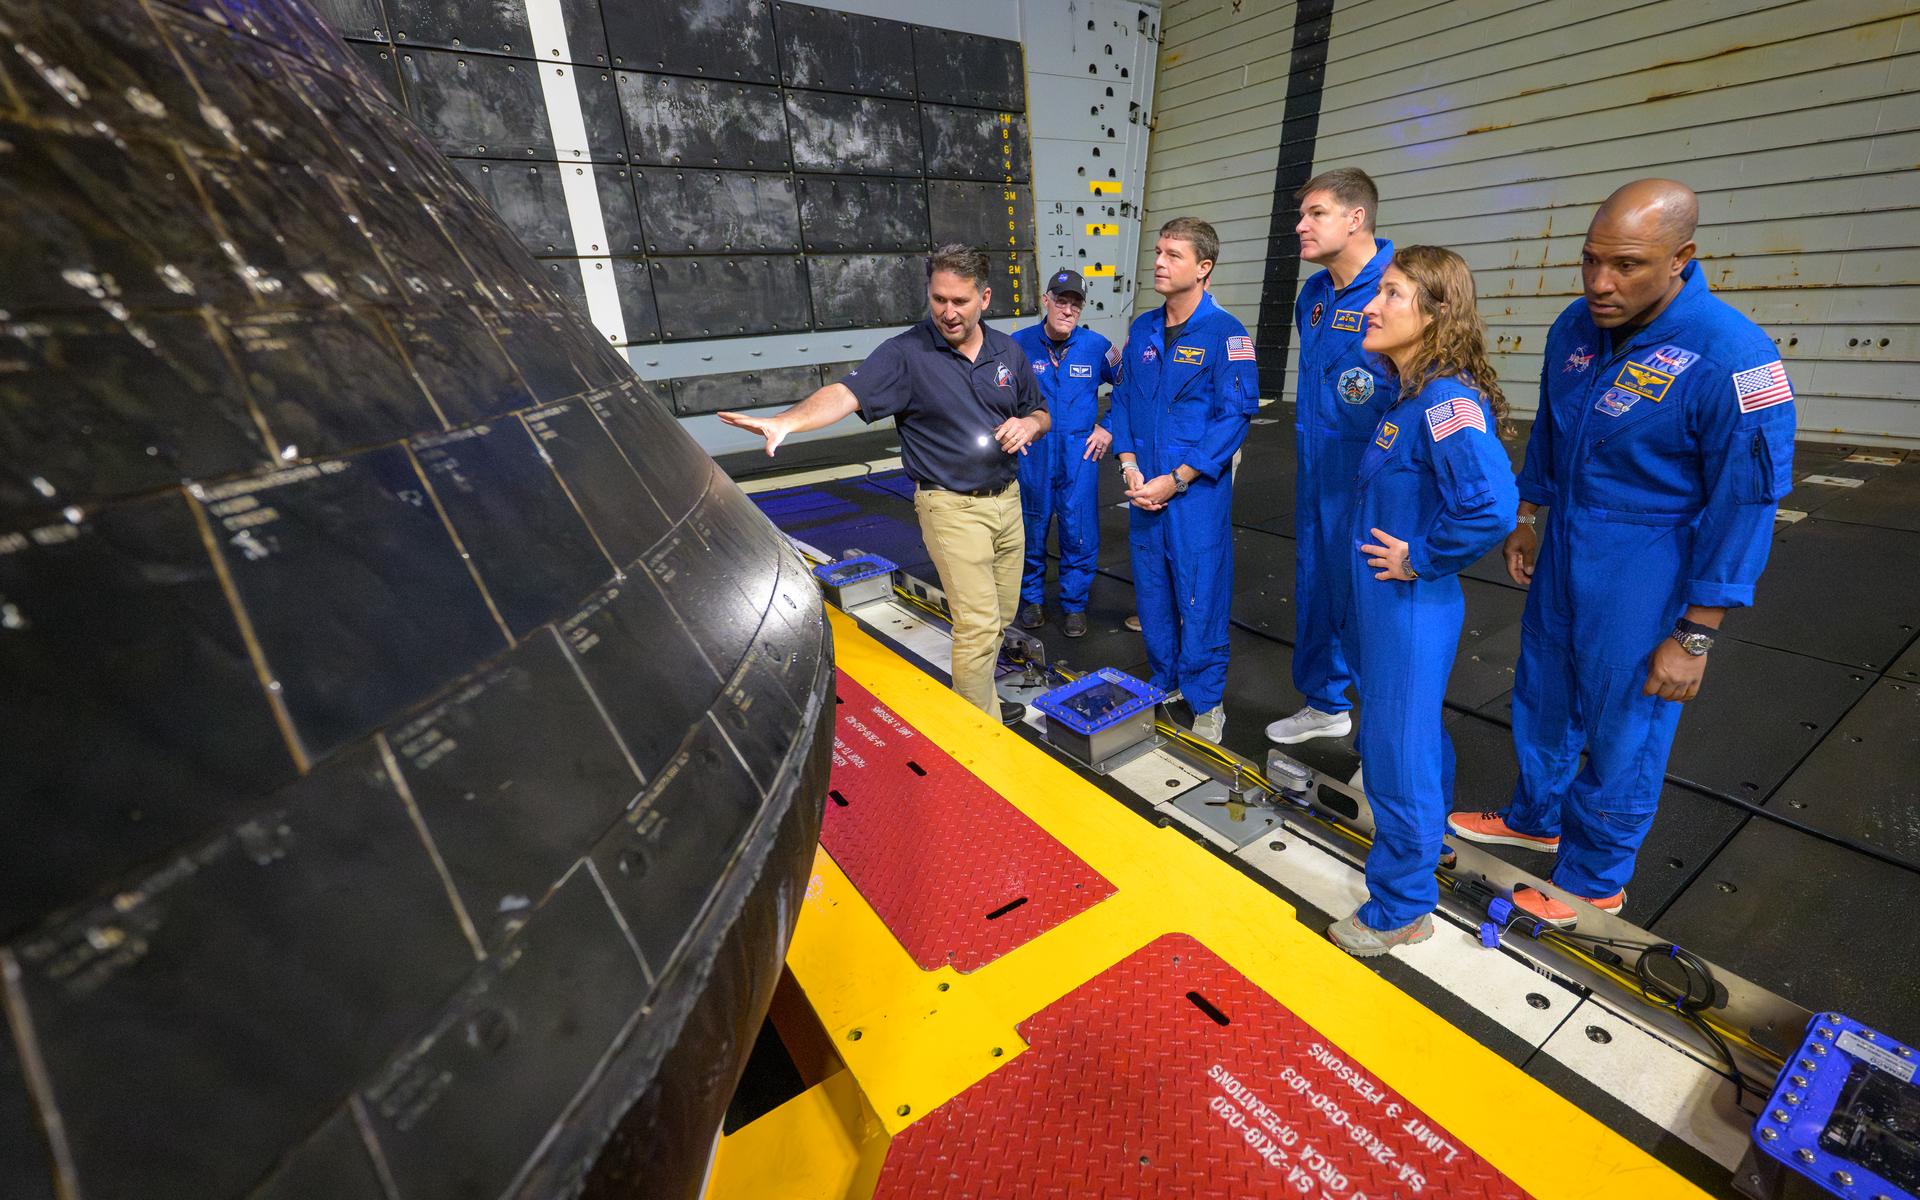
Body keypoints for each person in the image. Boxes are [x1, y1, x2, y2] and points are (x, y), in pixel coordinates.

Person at [1447, 180, 1797, 926]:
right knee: (1542, 692)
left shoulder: (1734, 357)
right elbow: (1552, 428)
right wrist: (1527, 513)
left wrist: (1696, 632)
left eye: (1628, 265)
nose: (1602, 283)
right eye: (1590, 261)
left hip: (1651, 557)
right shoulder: (1577, 326)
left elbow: (1746, 504)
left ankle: (1594, 878)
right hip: (1567, 540)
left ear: (1681, 259)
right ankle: (1536, 816)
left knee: (1623, 724)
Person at [718, 245, 1049, 723]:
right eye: (938, 300)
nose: (947, 312)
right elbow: (844, 394)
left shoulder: (1008, 351)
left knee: (998, 618)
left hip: (1007, 503)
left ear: (985, 298)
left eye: (959, 301)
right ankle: (982, 731)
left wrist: (1030, 426)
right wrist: (786, 422)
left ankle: (984, 701)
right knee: (977, 627)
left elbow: (1040, 411)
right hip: (950, 509)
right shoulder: (906, 354)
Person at [1324, 247, 1518, 957]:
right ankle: (1429, 844)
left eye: (1394, 295)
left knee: (1394, 753)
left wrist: (1420, 558)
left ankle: (1404, 905)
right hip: (1386, 610)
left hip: (1408, 611)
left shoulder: (1445, 402)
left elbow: (1491, 508)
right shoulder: (1406, 395)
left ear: (1435, 315)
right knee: (1409, 738)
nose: (1372, 306)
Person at [1109, 217, 1258, 743]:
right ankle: (1166, 681)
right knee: (1151, 591)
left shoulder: (1228, 336)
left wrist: (1177, 478)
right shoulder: (1144, 328)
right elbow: (1123, 401)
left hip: (1194, 494)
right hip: (1143, 487)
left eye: (1173, 255)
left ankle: (1205, 700)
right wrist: (1129, 467)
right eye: (1157, 252)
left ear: (1203, 267)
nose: (1159, 262)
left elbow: (1233, 419)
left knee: (1200, 594)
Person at [1267, 168, 1400, 746]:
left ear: (1355, 218)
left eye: (1315, 213)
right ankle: (1325, 703)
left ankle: (1386, 743)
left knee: (1375, 608)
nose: (1300, 226)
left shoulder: (1402, 289)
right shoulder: (1314, 296)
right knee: (1318, 588)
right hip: (1319, 474)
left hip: (1378, 484)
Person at [1012, 269, 1120, 638]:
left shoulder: (1098, 347)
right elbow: (994, 393)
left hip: (1080, 454)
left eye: (1076, 304)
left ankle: (1074, 604)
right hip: (1034, 453)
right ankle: (1032, 600)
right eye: (1061, 301)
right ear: (1046, 300)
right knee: (1030, 526)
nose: (1068, 310)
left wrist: (1109, 427)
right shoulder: (1018, 345)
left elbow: (1130, 385)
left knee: (1079, 531)